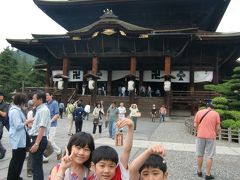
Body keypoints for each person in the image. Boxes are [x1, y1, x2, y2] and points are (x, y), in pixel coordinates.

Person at [7, 93, 34, 180]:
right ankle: (12, 177)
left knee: (20, 158)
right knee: (16, 160)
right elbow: (18, 126)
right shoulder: (15, 111)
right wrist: (27, 121)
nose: (25, 104)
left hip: (20, 138)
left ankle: (15, 176)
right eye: (24, 102)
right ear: (20, 102)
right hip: (17, 139)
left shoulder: (17, 110)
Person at [194, 103, 220, 180]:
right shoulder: (216, 114)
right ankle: (207, 174)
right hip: (211, 137)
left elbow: (195, 125)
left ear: (206, 107)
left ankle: (199, 172)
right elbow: (218, 128)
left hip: (200, 136)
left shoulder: (199, 112)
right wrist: (216, 133)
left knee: (199, 154)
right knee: (210, 155)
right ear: (212, 108)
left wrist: (199, 131)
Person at [29, 91, 51, 180]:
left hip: (39, 139)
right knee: (36, 165)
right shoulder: (40, 109)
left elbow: (42, 128)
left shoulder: (43, 110)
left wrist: (36, 144)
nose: (32, 100)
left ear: (40, 100)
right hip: (38, 138)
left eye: (34, 98)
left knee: (36, 166)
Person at [45, 92, 62, 162]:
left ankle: (58, 151)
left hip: (52, 125)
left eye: (47, 95)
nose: (46, 96)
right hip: (46, 125)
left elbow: (57, 114)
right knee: (46, 140)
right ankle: (58, 151)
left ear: (51, 96)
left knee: (50, 141)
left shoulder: (54, 103)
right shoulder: (45, 104)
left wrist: (50, 121)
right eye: (45, 95)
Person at [0, 92, 9, 159]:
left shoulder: (5, 105)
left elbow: (4, 114)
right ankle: (2, 150)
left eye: (1, 96)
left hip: (4, 122)